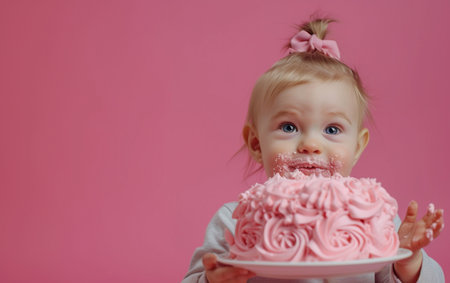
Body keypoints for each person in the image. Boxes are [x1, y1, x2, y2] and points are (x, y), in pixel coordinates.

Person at [182, 18, 445, 283]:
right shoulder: (237, 220)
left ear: (357, 146)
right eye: (288, 127)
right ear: (256, 144)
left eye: (332, 130)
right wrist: (213, 279)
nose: (310, 144)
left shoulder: (372, 218)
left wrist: (409, 260)